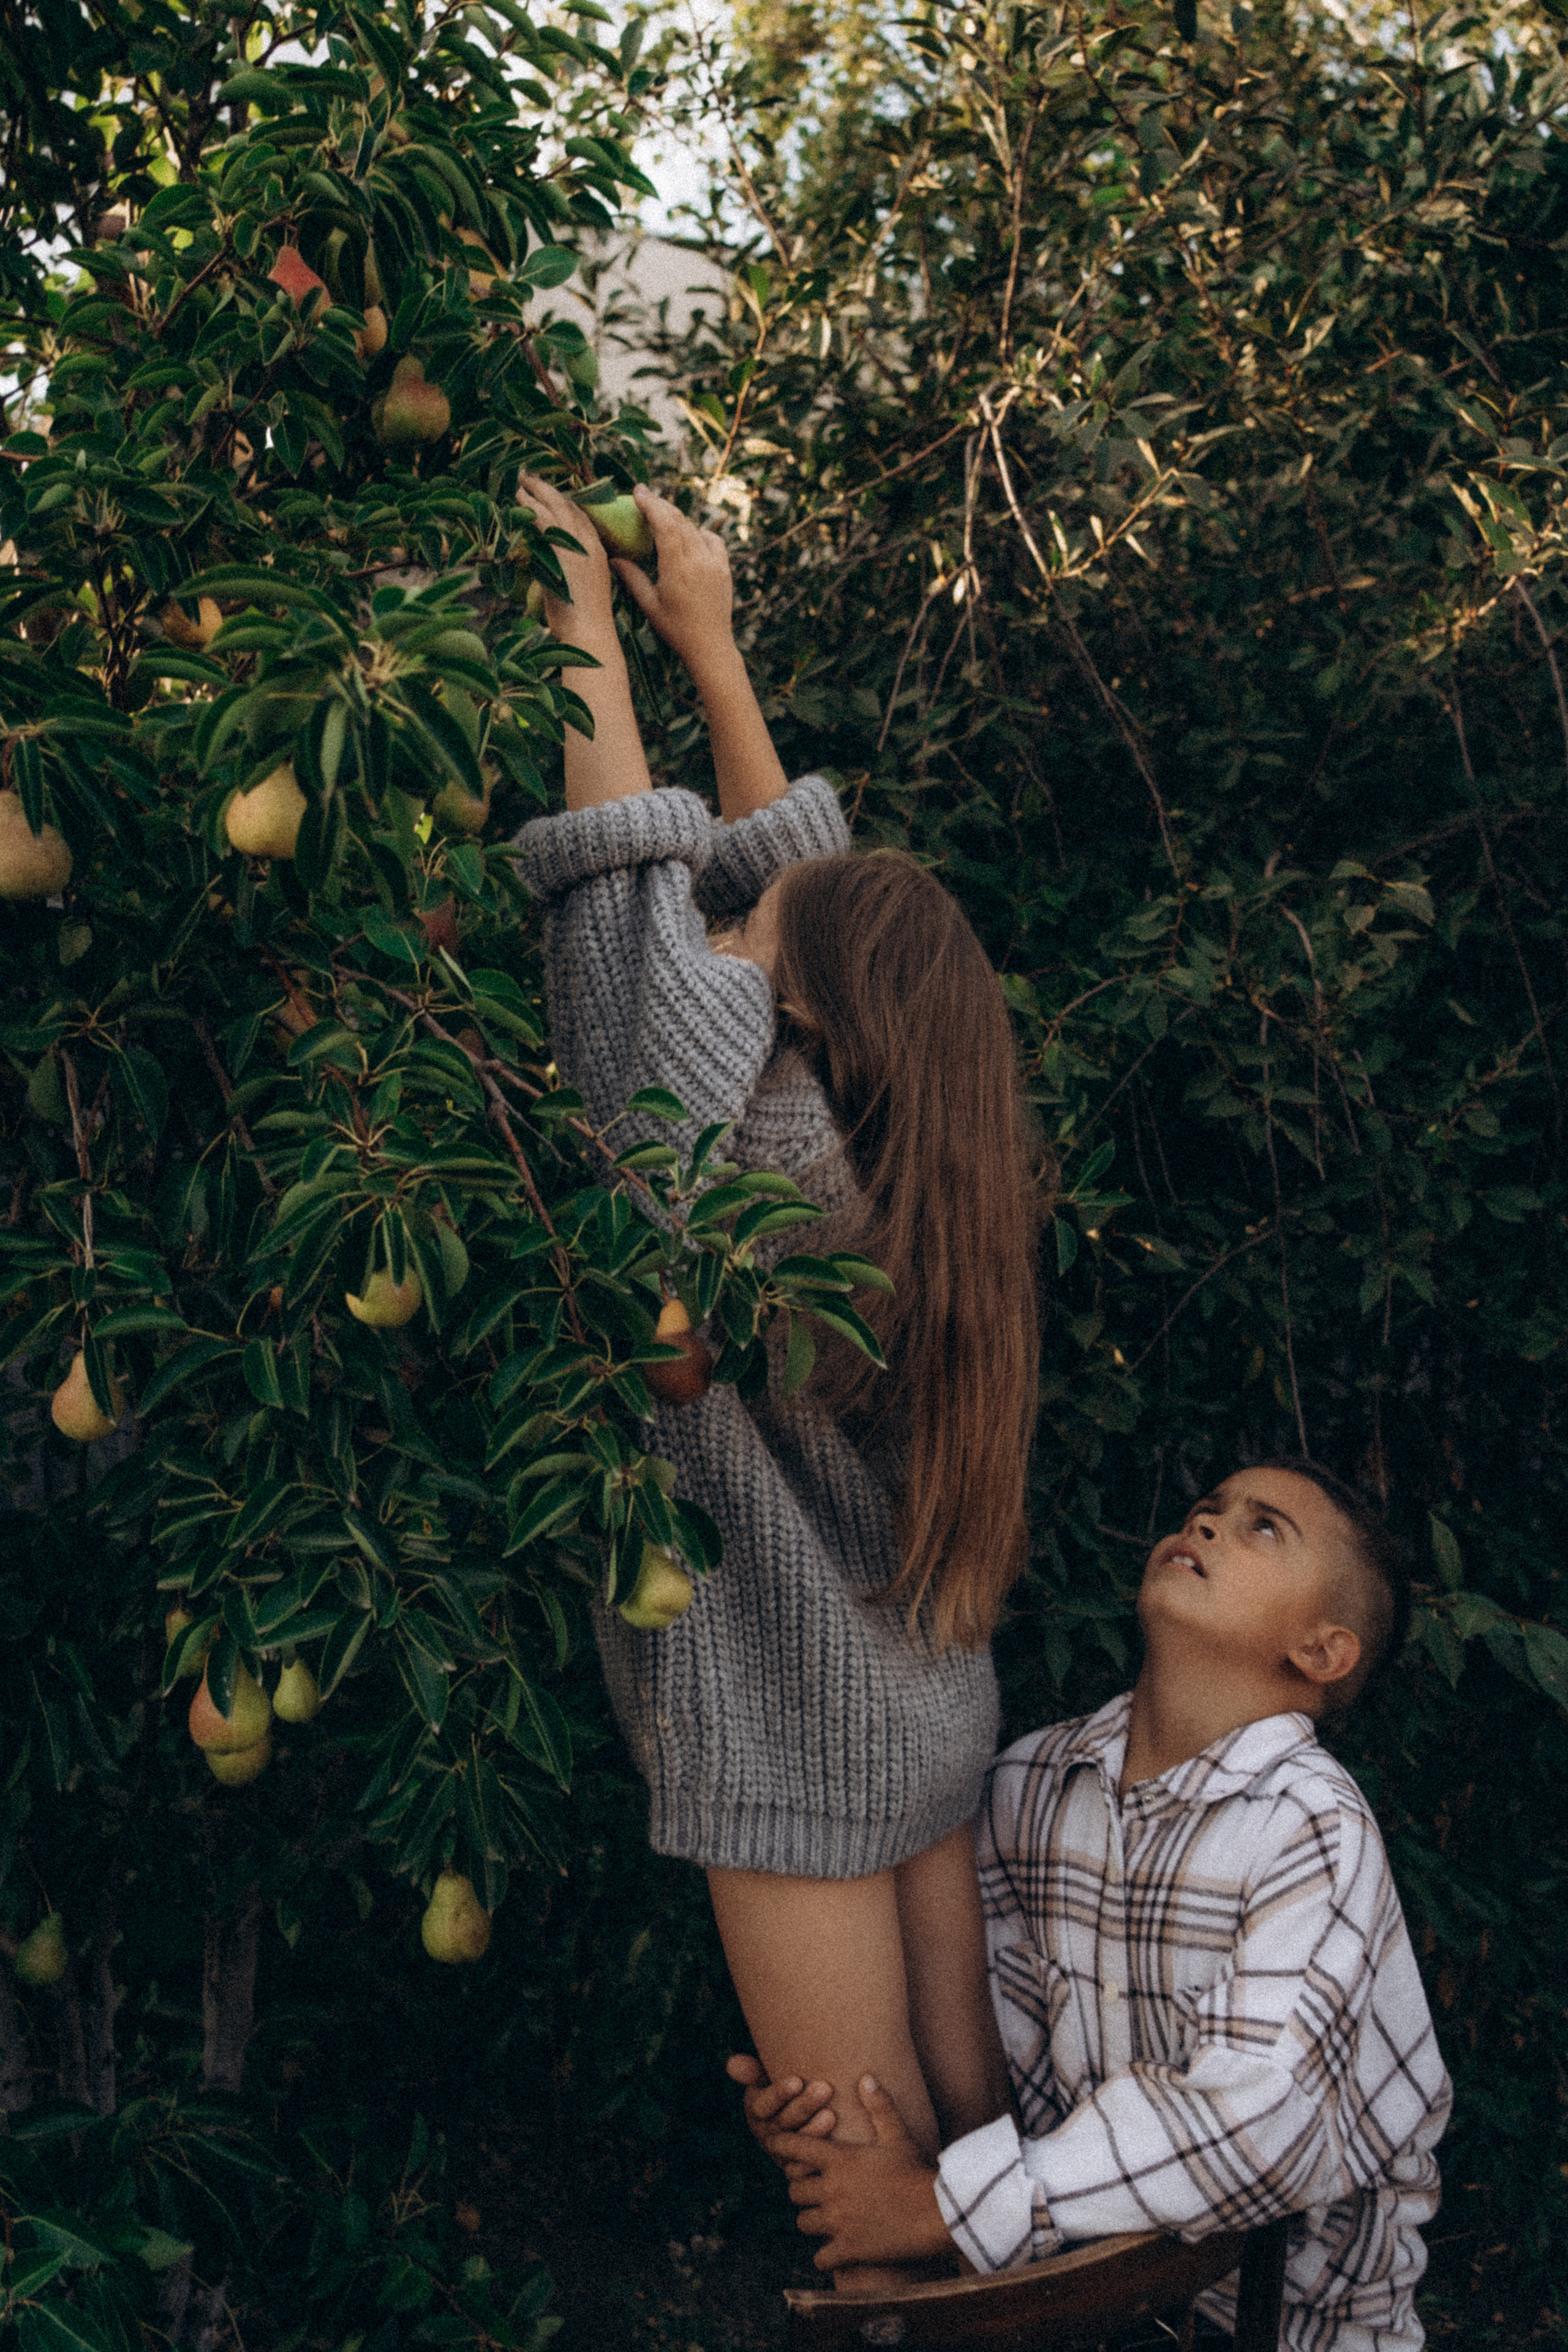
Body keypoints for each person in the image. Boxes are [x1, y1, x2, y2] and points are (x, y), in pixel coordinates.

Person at [512, 476, 1041, 2285]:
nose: (722, 948)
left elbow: (619, 956)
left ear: (808, 1025)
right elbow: (776, 900)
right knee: (983, 2160)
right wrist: (713, 651)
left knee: (877, 2225)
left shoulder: (773, 1176)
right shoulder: (914, 1174)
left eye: (752, 962)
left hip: (805, 1742)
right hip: (921, 1710)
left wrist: (581, 625)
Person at [740, 1461, 1453, 2348]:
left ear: (1320, 1650)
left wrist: (938, 2207)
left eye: (1264, 1526)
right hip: (1075, 2297)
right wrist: (840, 2108)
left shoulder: (1312, 1828)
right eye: (1207, 1508)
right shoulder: (1034, 1781)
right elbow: (968, 2027)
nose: (1209, 1524)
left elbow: (1255, 2125)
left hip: (1285, 2324)